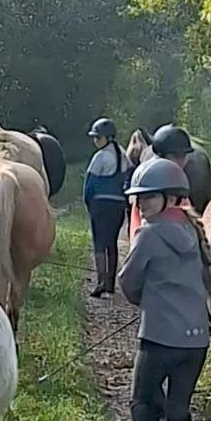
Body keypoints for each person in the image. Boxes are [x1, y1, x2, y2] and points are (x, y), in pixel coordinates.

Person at [119, 157, 211, 421]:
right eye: (139, 199)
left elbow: (128, 283)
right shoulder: (197, 233)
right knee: (179, 410)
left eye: (148, 198)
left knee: (141, 401)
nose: (141, 205)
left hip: (158, 337)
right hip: (196, 342)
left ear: (171, 197)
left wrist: (148, 300)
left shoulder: (149, 235)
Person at [83, 117, 131, 297]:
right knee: (112, 243)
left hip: (100, 204)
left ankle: (101, 281)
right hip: (117, 205)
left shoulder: (100, 157)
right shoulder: (123, 154)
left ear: (108, 138)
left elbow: (90, 185)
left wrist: (88, 202)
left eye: (98, 137)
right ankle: (110, 283)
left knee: (99, 243)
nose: (95, 141)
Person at [128, 124, 194, 241]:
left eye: (184, 156)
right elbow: (137, 227)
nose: (182, 161)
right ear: (161, 155)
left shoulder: (178, 182)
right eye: (176, 156)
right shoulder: (146, 184)